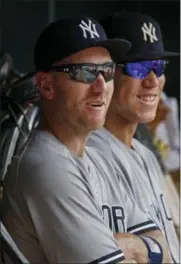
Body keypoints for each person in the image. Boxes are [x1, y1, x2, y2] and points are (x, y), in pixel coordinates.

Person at [1, 15, 170, 263]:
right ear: (46, 85)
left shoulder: (97, 160)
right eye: (85, 73)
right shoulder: (47, 167)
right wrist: (141, 249)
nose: (101, 87)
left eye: (107, 71)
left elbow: (164, 245)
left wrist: (135, 246)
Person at [88, 11, 179, 263]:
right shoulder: (86, 156)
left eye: (158, 66)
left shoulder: (146, 155)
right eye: (138, 67)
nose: (152, 81)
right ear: (105, 74)